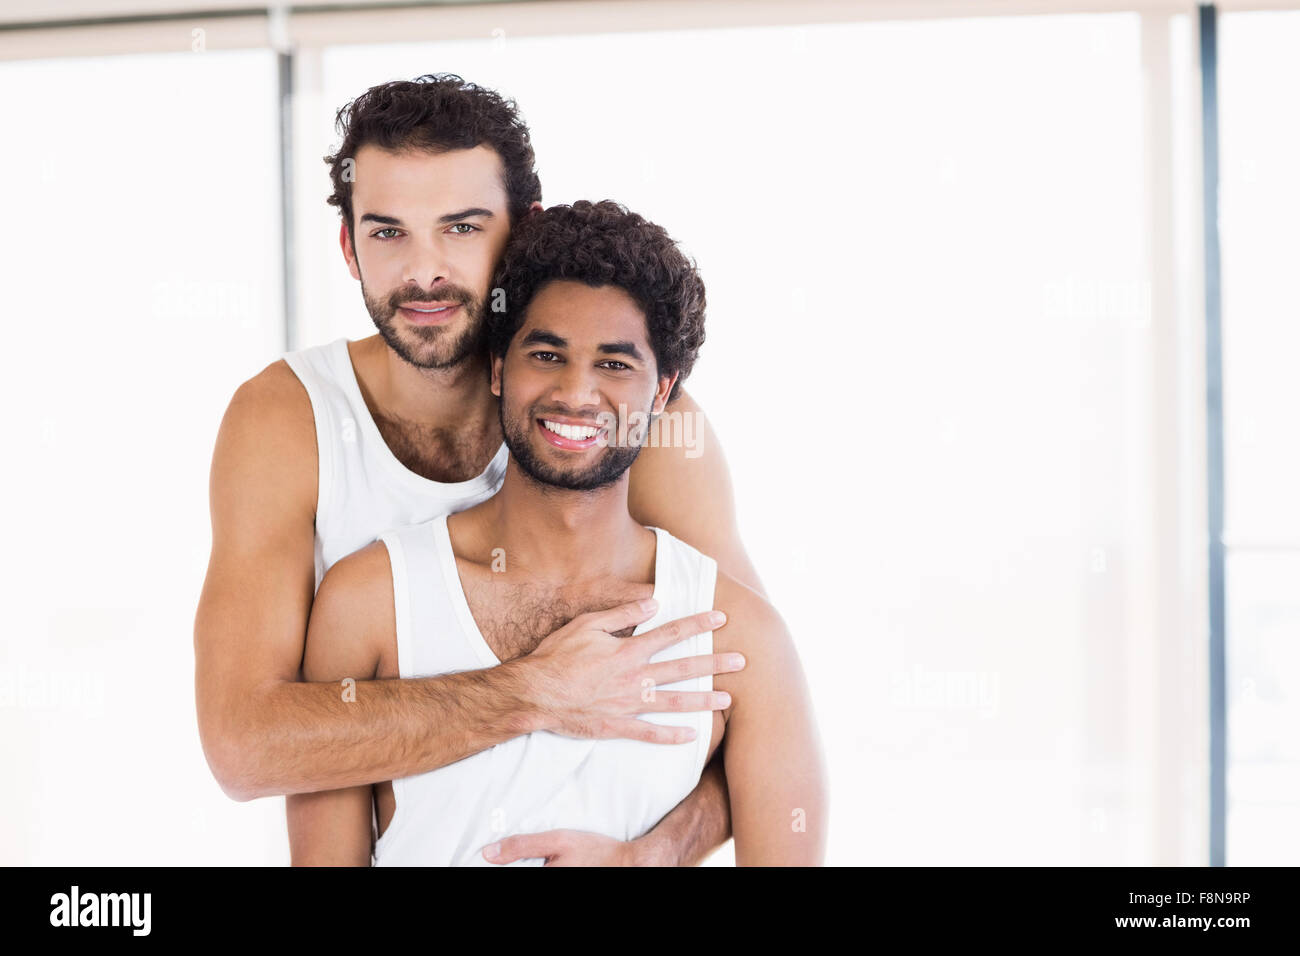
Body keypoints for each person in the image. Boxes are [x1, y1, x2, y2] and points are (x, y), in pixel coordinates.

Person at [195, 74, 763, 864]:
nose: (424, 274)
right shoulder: (285, 422)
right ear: (349, 246)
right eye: (388, 233)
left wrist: (658, 854)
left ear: (522, 230)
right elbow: (243, 747)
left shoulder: (642, 423)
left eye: (460, 228)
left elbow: (756, 701)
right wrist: (531, 694)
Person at [288, 201, 826, 865]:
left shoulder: (739, 634)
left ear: (662, 395)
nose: (576, 393)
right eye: (547, 354)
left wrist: (648, 858)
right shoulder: (368, 602)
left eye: (615, 365)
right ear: (497, 369)